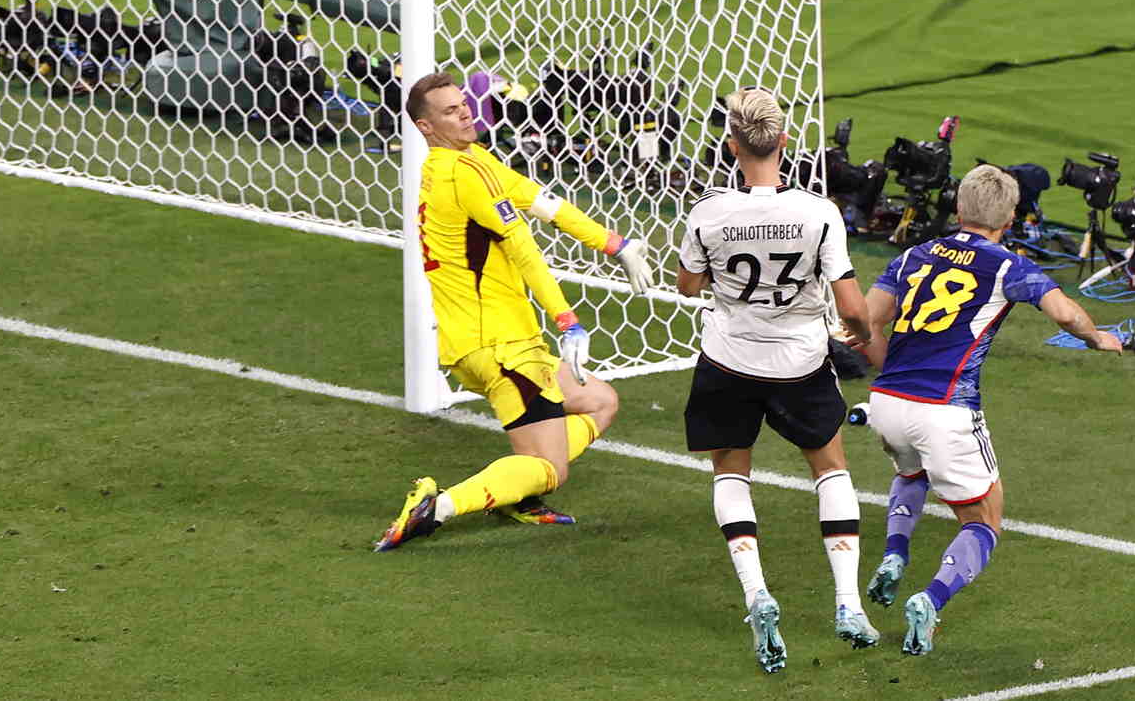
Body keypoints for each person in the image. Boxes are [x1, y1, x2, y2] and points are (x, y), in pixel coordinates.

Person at [374, 71, 652, 551]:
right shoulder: (461, 175)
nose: (464, 112)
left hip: (495, 341)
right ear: (425, 127)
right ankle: (437, 506)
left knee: (600, 401)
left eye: (463, 104)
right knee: (552, 468)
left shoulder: (472, 161)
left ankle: (517, 494)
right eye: (449, 110)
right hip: (500, 347)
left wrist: (613, 243)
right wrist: (568, 320)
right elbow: (523, 248)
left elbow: (543, 202)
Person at [852, 163, 1122, 655]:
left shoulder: (915, 253)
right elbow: (1065, 313)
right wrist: (1098, 337)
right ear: (1011, 217)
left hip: (886, 401)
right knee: (983, 522)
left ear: (958, 208)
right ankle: (930, 601)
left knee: (912, 472)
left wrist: (886, 372)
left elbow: (866, 320)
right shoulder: (1007, 265)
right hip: (946, 409)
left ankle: (894, 555)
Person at [676, 87, 880, 673]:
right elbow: (849, 303)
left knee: (730, 471)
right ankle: (847, 603)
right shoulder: (818, 213)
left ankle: (757, 594)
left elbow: (688, 286)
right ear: (784, 142)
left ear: (731, 145)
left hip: (728, 360)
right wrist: (862, 336)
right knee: (831, 467)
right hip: (800, 363)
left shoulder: (709, 213)